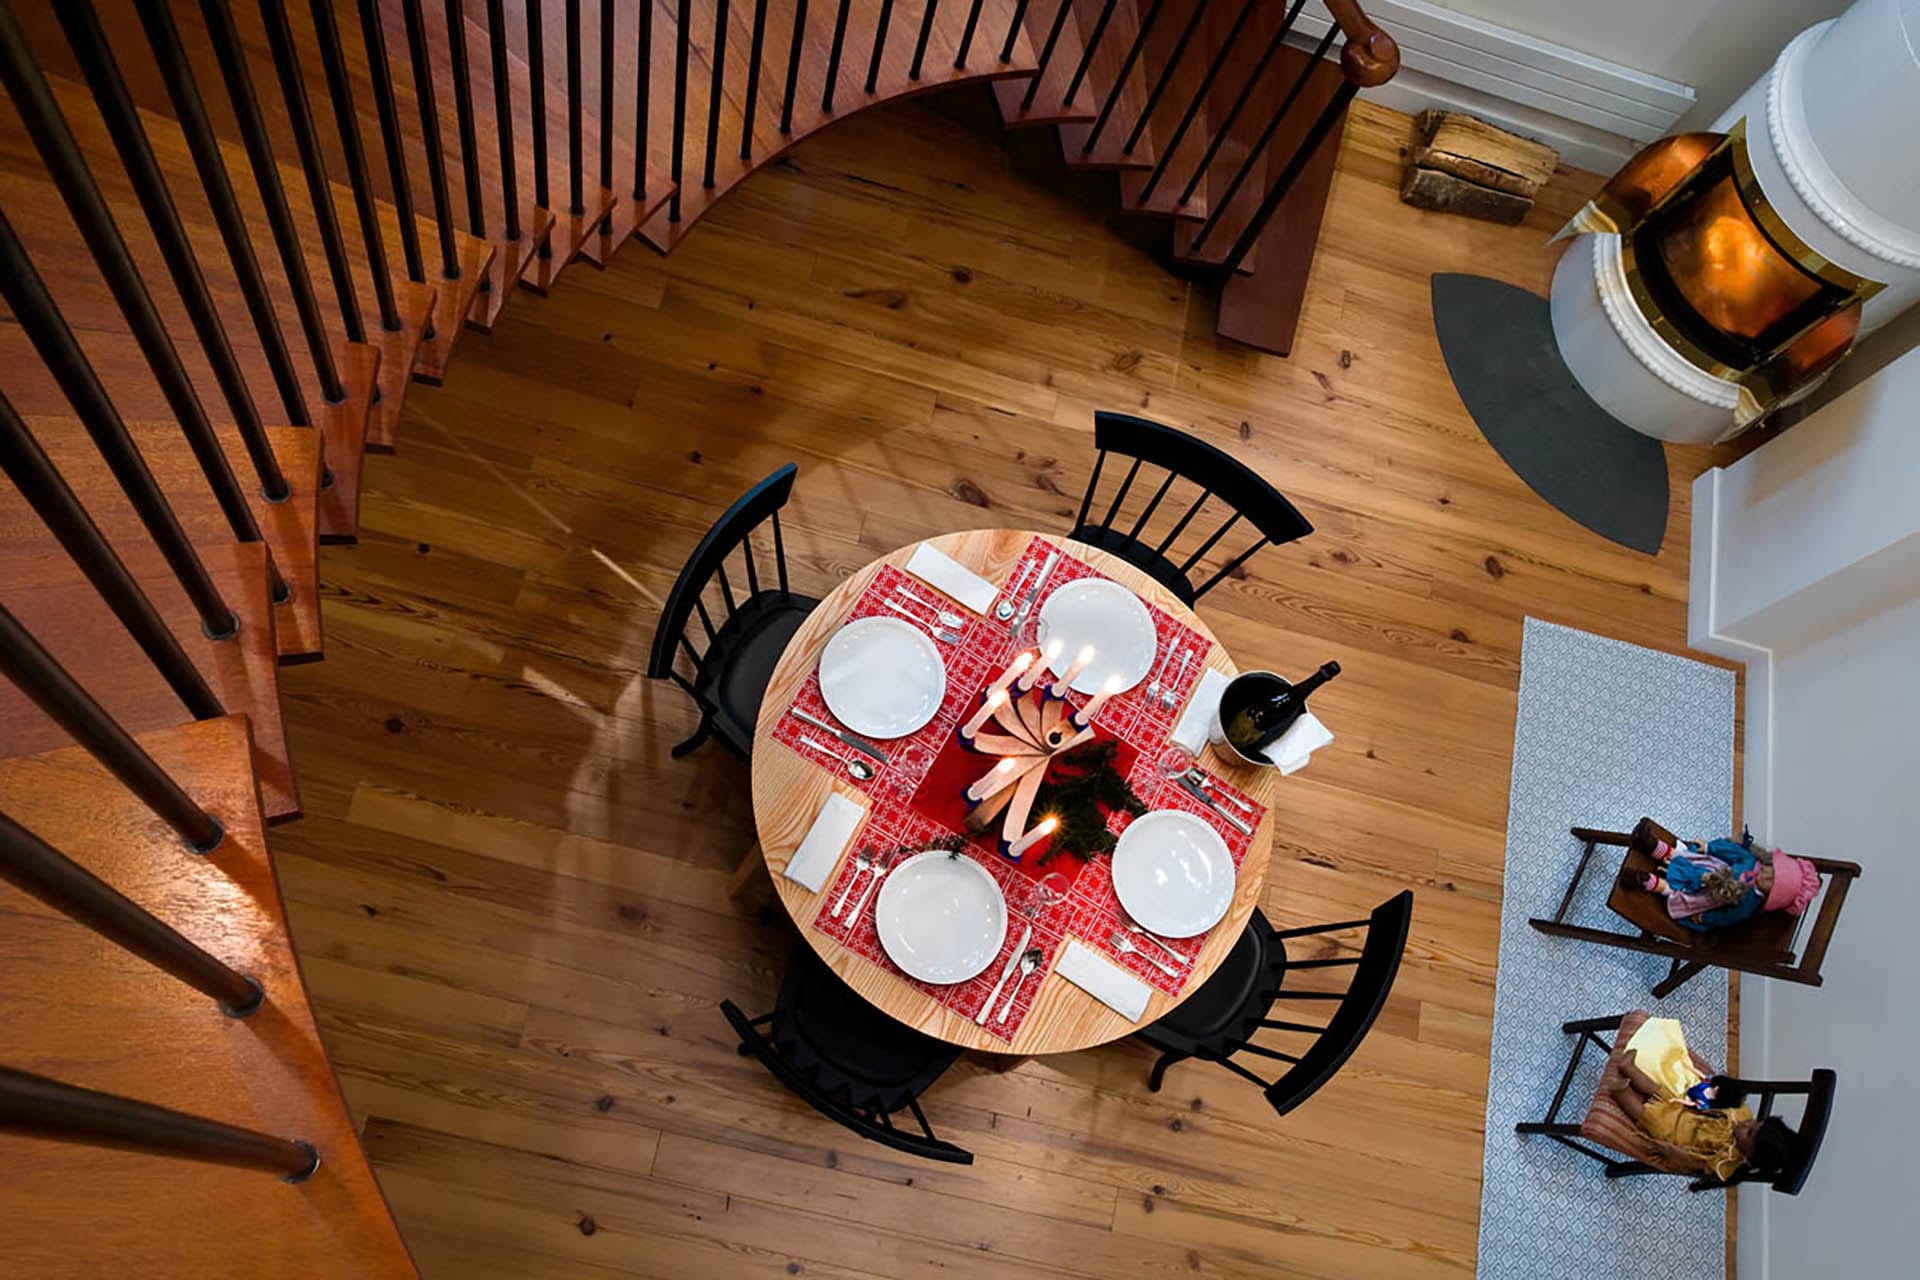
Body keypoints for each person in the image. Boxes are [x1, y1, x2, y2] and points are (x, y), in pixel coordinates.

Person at [1605, 1044, 1798, 1181]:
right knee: (1658, 1090)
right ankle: (1628, 1068)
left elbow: (1695, 1161)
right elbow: (1725, 1103)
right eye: (1755, 1122)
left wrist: (1670, 1151)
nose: (1747, 1124)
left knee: (1647, 1115)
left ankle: (1621, 1092)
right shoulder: (1740, 1118)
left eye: (1749, 1133)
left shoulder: (1728, 1159)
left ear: (1751, 1154)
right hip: (1684, 1110)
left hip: (1673, 1134)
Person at [1620, 830, 1821, 932]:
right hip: (1706, 866)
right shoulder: (1752, 862)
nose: (1765, 874)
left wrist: (1706, 918)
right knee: (1683, 855)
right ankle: (1653, 846)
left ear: (1771, 896)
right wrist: (1708, 848)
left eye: (1770, 880)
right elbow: (1732, 852)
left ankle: (1647, 882)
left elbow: (1727, 917)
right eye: (1771, 869)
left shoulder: (1747, 903)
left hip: (1706, 894)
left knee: (1678, 892)